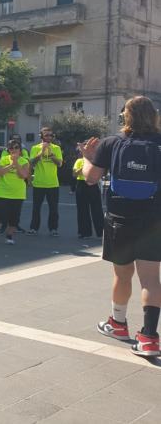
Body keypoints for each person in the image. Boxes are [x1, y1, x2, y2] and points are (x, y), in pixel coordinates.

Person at [82, 97, 161, 356]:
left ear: (125, 117)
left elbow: (91, 178)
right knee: (150, 279)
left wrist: (86, 159)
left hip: (120, 219)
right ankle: (149, 337)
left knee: (122, 274)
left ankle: (118, 323)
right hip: (153, 220)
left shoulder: (112, 144)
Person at [0, 140, 30, 245]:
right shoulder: (3, 159)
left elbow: (24, 175)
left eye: (16, 147)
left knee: (14, 217)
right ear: (8, 150)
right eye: (11, 148)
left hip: (17, 193)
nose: (14, 150)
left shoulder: (24, 161)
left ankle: (9, 235)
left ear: (20, 150)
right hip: (3, 192)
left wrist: (16, 163)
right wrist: (10, 165)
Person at [29, 127, 63, 236]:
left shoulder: (56, 148)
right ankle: (34, 228)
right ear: (41, 136)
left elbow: (60, 164)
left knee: (53, 208)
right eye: (46, 135)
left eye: (51, 135)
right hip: (39, 183)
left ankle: (53, 229)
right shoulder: (35, 148)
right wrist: (41, 152)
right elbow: (32, 163)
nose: (49, 137)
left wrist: (51, 154)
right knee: (36, 208)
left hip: (53, 183)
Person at [73, 143, 104, 239]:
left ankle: (101, 233)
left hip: (93, 184)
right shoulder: (79, 161)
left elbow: (101, 172)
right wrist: (83, 168)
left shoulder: (96, 160)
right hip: (81, 185)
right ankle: (84, 232)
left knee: (97, 209)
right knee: (82, 209)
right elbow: (74, 174)